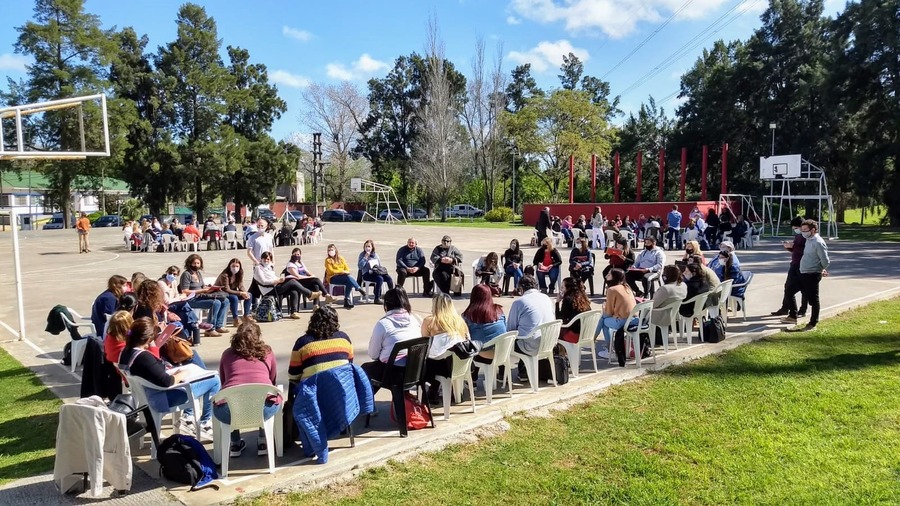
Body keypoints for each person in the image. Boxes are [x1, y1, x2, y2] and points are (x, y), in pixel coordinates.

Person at [118, 317, 221, 441]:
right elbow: (167, 382)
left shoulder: (125, 353)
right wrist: (182, 373)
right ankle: (204, 422)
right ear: (148, 338)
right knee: (215, 380)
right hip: (162, 399)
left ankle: (190, 418)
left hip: (148, 396)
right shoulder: (144, 357)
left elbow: (155, 374)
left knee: (199, 374)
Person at [214, 321, 281, 458]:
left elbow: (224, 381)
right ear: (258, 336)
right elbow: (272, 378)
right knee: (263, 395)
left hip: (230, 411)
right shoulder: (267, 352)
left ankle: (235, 443)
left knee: (230, 397)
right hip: (263, 408)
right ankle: (263, 440)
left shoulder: (227, 354)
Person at [360, 288, 422, 393]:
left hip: (394, 374)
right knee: (379, 368)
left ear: (386, 305)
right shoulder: (415, 319)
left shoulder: (384, 324)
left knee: (365, 369)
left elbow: (373, 354)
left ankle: (366, 405)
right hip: (415, 372)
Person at [420, 294, 470, 404]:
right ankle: (453, 391)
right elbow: (468, 339)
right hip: (461, 364)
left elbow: (425, 344)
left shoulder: (430, 321)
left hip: (441, 366)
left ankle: (433, 390)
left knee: (425, 361)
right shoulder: (460, 321)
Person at [288, 305, 353, 382]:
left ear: (312, 321)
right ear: (335, 322)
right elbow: (350, 364)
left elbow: (293, 375)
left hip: (314, 392)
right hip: (344, 390)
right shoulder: (344, 339)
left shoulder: (302, 343)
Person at [789, 219, 830, 331]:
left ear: (813, 230)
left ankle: (813, 323)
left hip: (812, 274)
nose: (803, 232)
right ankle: (793, 315)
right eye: (802, 230)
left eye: (805, 230)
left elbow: (825, 260)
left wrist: (821, 269)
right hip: (803, 272)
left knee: (813, 299)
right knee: (789, 290)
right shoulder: (808, 240)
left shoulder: (818, 242)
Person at [506, 275, 555, 361]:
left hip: (530, 347)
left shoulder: (519, 302)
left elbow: (511, 329)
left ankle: (510, 372)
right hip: (549, 343)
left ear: (521, 288)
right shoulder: (547, 298)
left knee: (507, 342)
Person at [179, 253, 228, 339]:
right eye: (194, 263)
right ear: (189, 263)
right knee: (215, 303)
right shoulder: (186, 274)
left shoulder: (198, 273)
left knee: (225, 301)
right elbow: (185, 291)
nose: (196, 265)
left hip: (201, 296)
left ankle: (218, 325)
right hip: (191, 299)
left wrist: (212, 288)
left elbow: (202, 286)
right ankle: (210, 328)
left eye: (198, 263)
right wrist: (203, 290)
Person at [772, 217, 809, 320]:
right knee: (787, 286)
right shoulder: (798, 236)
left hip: (803, 265)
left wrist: (794, 246)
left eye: (796, 227)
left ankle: (802, 309)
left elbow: (806, 250)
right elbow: (796, 251)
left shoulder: (806, 237)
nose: (795, 229)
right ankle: (785, 307)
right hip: (794, 264)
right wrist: (789, 247)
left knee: (803, 289)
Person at [253, 251, 308, 319]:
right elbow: (264, 282)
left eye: (268, 259)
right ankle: (309, 294)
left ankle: (293, 312)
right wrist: (277, 281)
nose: (266, 260)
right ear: (261, 259)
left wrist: (280, 279)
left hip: (275, 286)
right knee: (292, 281)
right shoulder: (258, 268)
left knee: (293, 290)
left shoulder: (269, 267)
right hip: (269, 290)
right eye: (265, 259)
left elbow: (273, 277)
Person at [597, 268, 636, 359]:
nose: (606, 276)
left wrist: (604, 310)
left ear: (614, 277)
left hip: (624, 321)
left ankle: (610, 349)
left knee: (603, 320)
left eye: (609, 274)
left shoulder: (612, 289)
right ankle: (595, 340)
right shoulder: (627, 287)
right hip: (634, 319)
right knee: (603, 319)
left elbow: (608, 313)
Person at [324, 244, 367, 309]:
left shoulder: (341, 258)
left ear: (335, 250)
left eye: (332, 250)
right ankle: (358, 288)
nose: (330, 251)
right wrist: (341, 271)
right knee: (348, 278)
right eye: (329, 250)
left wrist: (344, 272)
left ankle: (347, 300)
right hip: (332, 278)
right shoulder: (328, 260)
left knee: (349, 281)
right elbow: (331, 271)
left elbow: (347, 269)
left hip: (343, 276)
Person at [650, 265, 688, 338]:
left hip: (660, 315)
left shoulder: (665, 289)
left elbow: (652, 304)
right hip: (674, 314)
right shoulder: (683, 285)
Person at [215, 258, 253, 327]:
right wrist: (240, 293)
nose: (235, 268)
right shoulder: (225, 275)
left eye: (237, 266)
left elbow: (240, 285)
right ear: (229, 266)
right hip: (223, 293)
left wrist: (244, 292)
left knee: (249, 295)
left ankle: (246, 315)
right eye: (233, 266)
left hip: (233, 291)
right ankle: (235, 318)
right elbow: (227, 289)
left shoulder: (239, 273)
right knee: (234, 298)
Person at [358, 240, 395, 304]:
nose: (367, 248)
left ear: (372, 247)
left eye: (369, 246)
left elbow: (379, 265)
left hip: (376, 272)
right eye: (366, 246)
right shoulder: (362, 255)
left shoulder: (375, 255)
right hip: (367, 274)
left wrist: (376, 267)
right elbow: (360, 267)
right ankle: (377, 298)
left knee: (388, 278)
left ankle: (392, 296)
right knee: (379, 279)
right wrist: (365, 257)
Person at [556, 277, 592, 344]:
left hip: (575, 335)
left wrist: (557, 302)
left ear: (568, 288)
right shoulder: (583, 297)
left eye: (562, 287)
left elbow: (559, 318)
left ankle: (560, 352)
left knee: (554, 330)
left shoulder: (568, 299)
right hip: (587, 333)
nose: (561, 290)